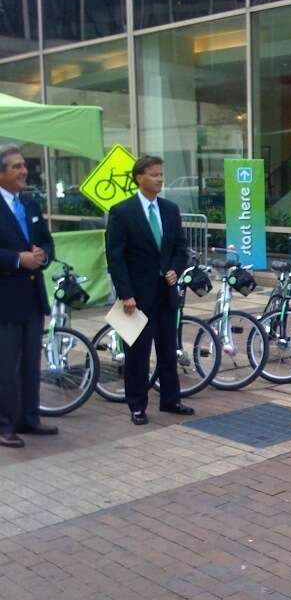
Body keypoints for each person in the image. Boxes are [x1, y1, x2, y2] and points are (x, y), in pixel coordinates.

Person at [105, 155, 194, 425]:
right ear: (139, 177)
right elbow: (115, 257)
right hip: (136, 296)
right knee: (137, 354)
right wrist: (125, 294)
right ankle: (137, 405)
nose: (160, 178)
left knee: (168, 349)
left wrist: (175, 269)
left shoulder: (170, 210)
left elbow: (180, 247)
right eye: (154, 174)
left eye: (161, 174)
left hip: (165, 293)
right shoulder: (122, 212)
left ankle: (170, 399)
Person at [0, 144, 57, 448]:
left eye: (24, 165)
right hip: (5, 301)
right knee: (5, 367)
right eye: (16, 167)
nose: (24, 171)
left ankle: (29, 419)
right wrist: (17, 259)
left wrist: (42, 255)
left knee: (31, 365)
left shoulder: (31, 204)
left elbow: (47, 243)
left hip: (32, 299)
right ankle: (5, 425)